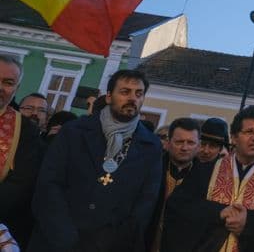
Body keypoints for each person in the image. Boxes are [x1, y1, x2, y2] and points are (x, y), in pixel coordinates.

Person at [29, 69, 162, 252]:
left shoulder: (151, 145)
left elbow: (145, 202)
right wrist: (64, 235)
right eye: (125, 92)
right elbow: (49, 184)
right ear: (108, 97)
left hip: (111, 245)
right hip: (57, 240)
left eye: (139, 94)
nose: (133, 98)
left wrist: (109, 242)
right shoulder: (74, 131)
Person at [161, 105, 254, 252]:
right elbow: (178, 206)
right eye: (249, 132)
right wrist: (219, 212)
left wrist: (249, 222)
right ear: (234, 137)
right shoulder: (206, 170)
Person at [0, 55, 42, 250]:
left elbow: (20, 183)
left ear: (16, 88)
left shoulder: (25, 129)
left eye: (8, 83)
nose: (0, 87)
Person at [148, 117, 201, 252]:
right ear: (168, 142)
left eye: (190, 143)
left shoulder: (206, 178)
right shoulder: (150, 168)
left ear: (198, 146)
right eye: (179, 142)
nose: (184, 147)